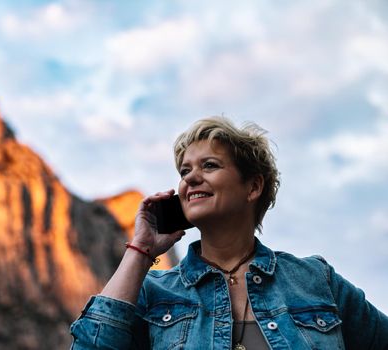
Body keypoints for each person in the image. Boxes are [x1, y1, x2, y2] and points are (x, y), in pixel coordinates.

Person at [70, 117, 388, 349]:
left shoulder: (316, 280)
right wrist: (140, 251)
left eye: (209, 165)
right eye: (184, 170)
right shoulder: (154, 291)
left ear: (253, 186)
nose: (191, 178)